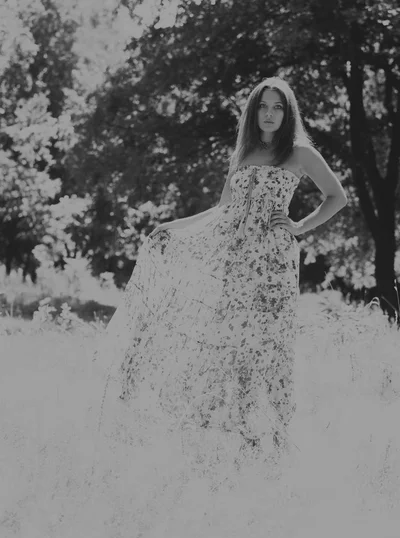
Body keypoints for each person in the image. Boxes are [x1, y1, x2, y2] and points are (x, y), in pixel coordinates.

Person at [95, 76, 347, 462]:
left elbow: (337, 196)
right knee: (235, 348)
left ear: (288, 112)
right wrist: (172, 227)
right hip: (236, 263)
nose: (269, 113)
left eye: (278, 106)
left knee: (271, 348)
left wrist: (299, 226)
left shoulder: (299, 153)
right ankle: (247, 437)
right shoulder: (243, 155)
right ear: (253, 111)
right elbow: (220, 211)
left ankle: (277, 438)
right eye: (263, 106)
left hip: (274, 265)